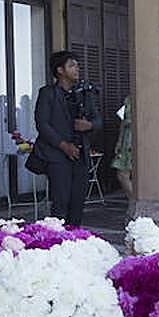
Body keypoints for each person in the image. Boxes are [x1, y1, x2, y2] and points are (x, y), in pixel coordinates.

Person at [32, 50, 101, 226]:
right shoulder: (48, 93)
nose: (77, 68)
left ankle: (75, 241)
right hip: (57, 156)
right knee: (60, 203)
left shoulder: (84, 94)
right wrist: (63, 145)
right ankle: (58, 242)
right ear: (60, 70)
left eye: (77, 65)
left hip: (81, 155)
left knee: (78, 203)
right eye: (72, 65)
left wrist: (90, 125)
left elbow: (98, 120)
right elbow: (42, 124)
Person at [110, 94, 134, 204]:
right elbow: (123, 123)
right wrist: (119, 143)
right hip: (126, 140)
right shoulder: (129, 99)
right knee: (121, 174)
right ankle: (134, 201)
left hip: (139, 139)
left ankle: (137, 204)